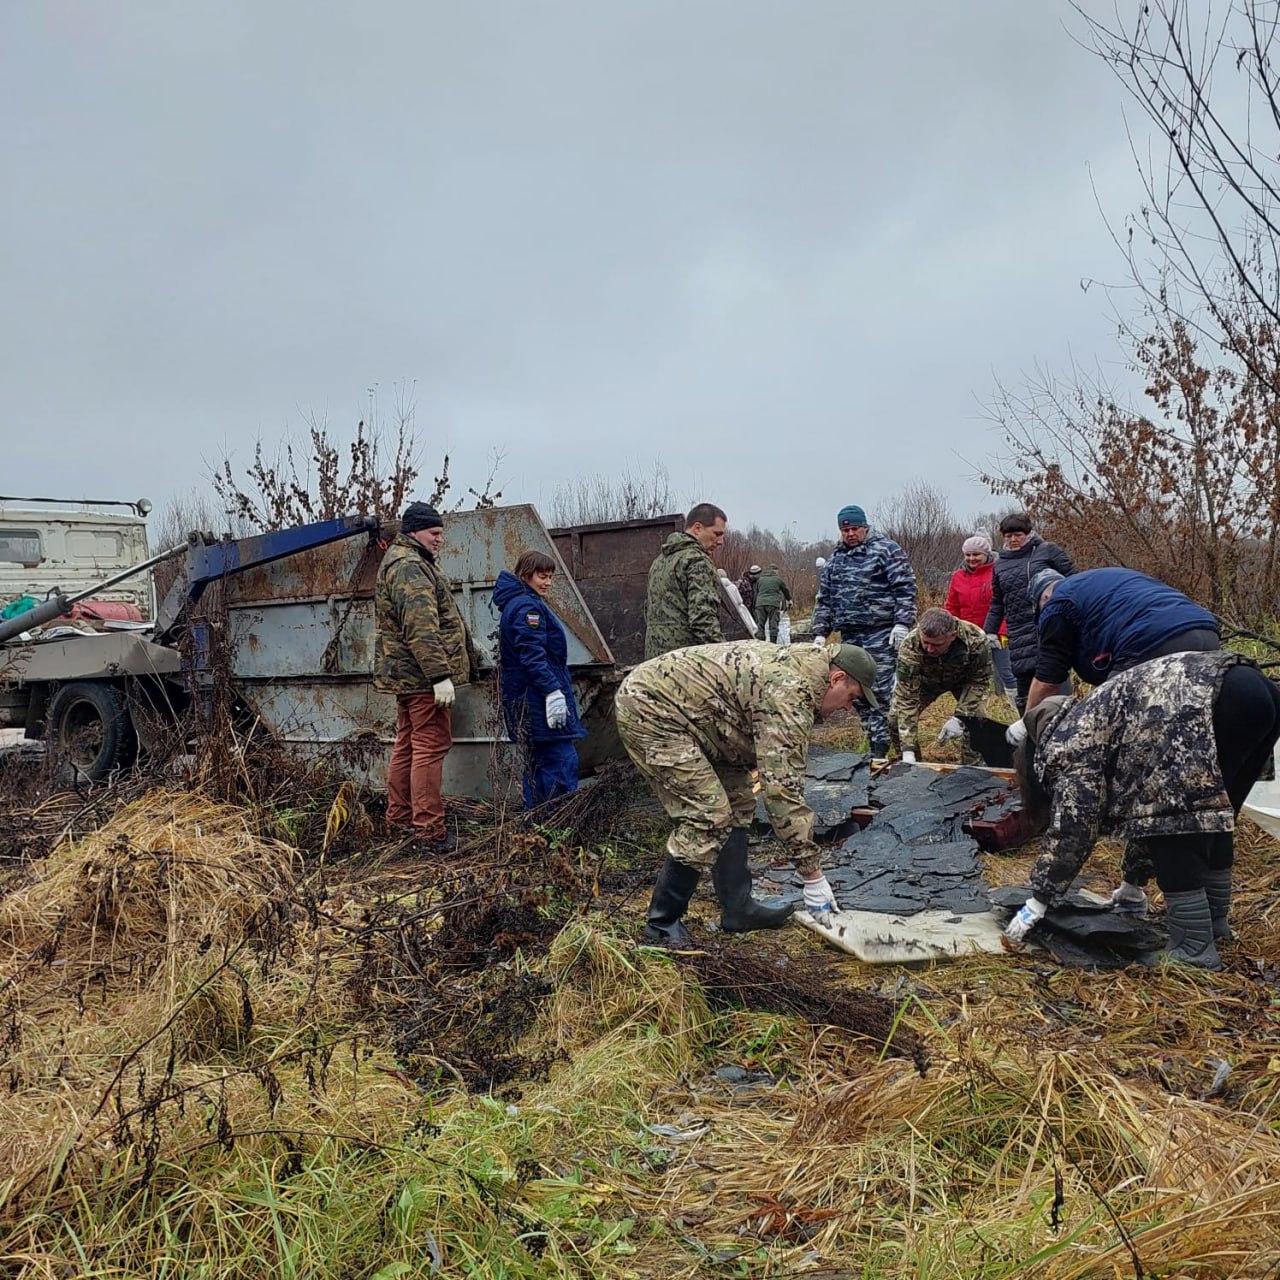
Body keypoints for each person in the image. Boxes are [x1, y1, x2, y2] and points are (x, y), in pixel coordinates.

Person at [1002, 651, 1280, 969]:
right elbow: (1143, 810)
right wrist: (1132, 884)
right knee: (1212, 819)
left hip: (1205, 700)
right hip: (1257, 690)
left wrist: (1039, 900)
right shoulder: (1103, 717)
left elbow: (1074, 826)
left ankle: (1193, 949)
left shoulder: (1070, 741)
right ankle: (1215, 925)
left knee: (1177, 828)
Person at [615, 637, 881, 945]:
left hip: (706, 719)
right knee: (708, 815)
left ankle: (738, 910)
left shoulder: (807, 670)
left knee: (739, 801)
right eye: (851, 697)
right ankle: (661, 926)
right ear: (836, 678)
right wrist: (812, 874)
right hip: (653, 709)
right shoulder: (790, 694)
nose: (848, 709)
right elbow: (782, 793)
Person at [374, 501, 479, 851]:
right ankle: (428, 831)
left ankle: (400, 821)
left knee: (407, 745)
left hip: (408, 676)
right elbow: (421, 627)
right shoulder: (410, 566)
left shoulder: (404, 561)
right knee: (429, 747)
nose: (439, 540)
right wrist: (439, 676)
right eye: (434, 533)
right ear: (414, 530)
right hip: (421, 678)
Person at [1017, 566, 1221, 718]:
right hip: (1206, 630)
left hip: (1152, 641)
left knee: (1108, 722)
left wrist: (1026, 725)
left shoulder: (1057, 604)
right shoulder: (1098, 583)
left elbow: (1047, 680)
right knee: (1189, 716)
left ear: (1044, 597)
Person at [811, 504, 916, 756]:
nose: (850, 534)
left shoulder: (886, 550)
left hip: (880, 632)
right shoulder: (835, 560)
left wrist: (902, 623)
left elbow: (904, 588)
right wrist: (819, 633)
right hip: (850, 635)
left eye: (855, 528)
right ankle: (874, 745)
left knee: (879, 691)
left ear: (865, 527)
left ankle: (902, 748)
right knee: (855, 693)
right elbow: (824, 599)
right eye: (845, 530)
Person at [493, 550, 587, 809]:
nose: (547, 582)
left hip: (527, 697)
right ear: (525, 575)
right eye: (541, 576)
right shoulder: (527, 607)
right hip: (536, 699)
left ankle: (534, 825)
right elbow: (533, 656)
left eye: (550, 577)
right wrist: (552, 691)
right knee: (560, 760)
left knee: (538, 764)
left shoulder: (520, 602)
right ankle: (559, 825)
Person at [982, 513, 1074, 713]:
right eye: (1008, 536)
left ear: (1028, 533)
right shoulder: (1000, 565)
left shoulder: (1047, 551)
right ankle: (1028, 734)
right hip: (1018, 634)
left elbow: (1074, 583)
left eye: (1017, 534)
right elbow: (998, 602)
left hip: (1050, 627)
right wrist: (989, 631)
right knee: (1024, 692)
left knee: (1055, 682)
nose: (1013, 540)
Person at [889, 608, 993, 765]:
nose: (929, 649)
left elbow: (979, 681)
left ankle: (973, 767)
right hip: (925, 682)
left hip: (964, 681)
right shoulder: (910, 645)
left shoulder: (975, 639)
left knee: (976, 720)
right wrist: (907, 749)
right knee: (895, 719)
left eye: (936, 644)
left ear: (952, 636)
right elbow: (906, 698)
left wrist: (960, 717)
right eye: (926, 643)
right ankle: (912, 767)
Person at [643, 502, 728, 659]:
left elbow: (648, 611)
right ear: (697, 528)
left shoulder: (660, 561)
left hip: (654, 660)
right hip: (685, 663)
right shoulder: (697, 560)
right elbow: (703, 621)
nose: (721, 541)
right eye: (717, 534)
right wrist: (725, 658)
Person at [945, 532, 1017, 709]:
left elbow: (1007, 605)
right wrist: (951, 631)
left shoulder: (999, 572)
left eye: (976, 554)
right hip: (968, 636)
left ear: (986, 554)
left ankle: (1019, 709)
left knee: (1007, 673)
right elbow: (952, 606)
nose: (971, 558)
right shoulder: (958, 577)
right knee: (970, 676)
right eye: (968, 555)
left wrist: (1000, 632)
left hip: (997, 635)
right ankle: (971, 712)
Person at [754, 564, 792, 644]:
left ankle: (760, 644)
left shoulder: (760, 579)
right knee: (773, 624)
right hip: (773, 604)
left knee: (761, 625)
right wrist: (789, 600)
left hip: (760, 604)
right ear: (775, 571)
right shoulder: (778, 579)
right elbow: (785, 590)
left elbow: (757, 592)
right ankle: (773, 644)